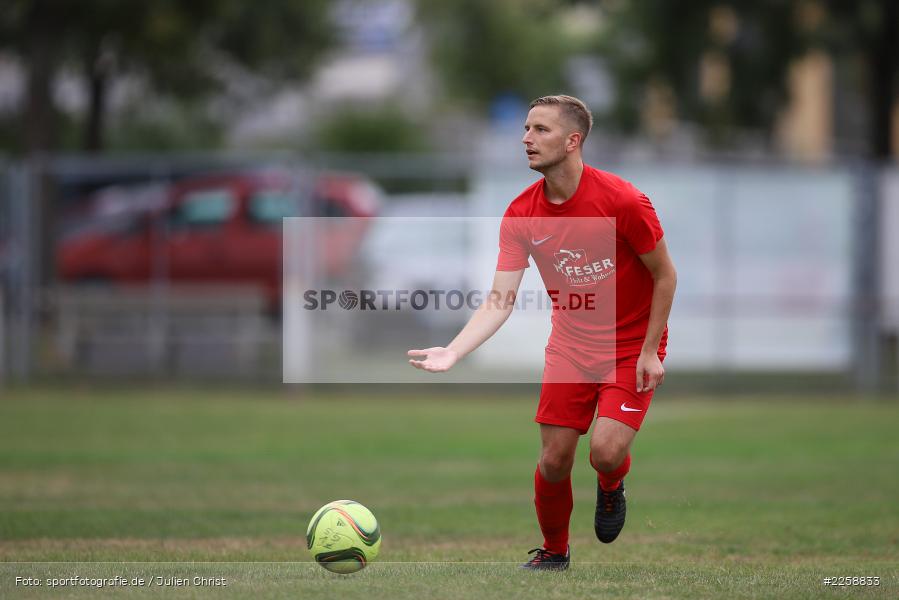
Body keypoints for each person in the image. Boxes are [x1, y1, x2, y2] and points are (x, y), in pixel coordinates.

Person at [408, 95, 677, 571]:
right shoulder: (521, 213)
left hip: (631, 347)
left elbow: (665, 275)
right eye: (526, 129)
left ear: (573, 141)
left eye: (540, 130)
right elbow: (500, 299)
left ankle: (611, 484)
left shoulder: (622, 201)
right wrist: (454, 351)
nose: (526, 139)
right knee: (554, 460)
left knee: (605, 452)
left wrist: (651, 350)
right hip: (571, 348)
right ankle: (554, 552)